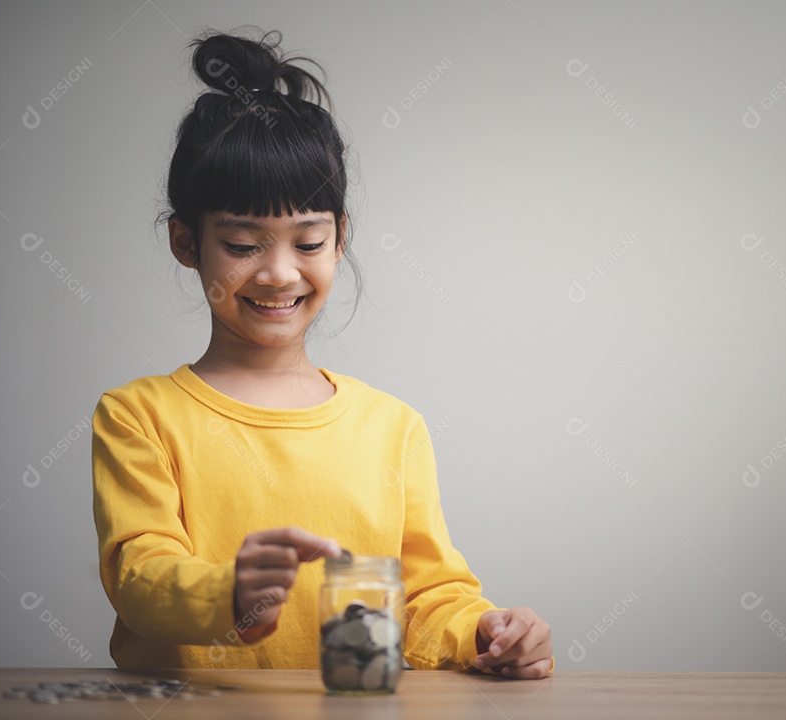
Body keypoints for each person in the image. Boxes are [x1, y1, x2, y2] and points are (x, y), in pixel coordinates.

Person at [91, 27, 552, 679]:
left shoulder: (392, 428)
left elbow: (426, 601)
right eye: (244, 244)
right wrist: (229, 594)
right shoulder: (138, 415)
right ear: (185, 243)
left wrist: (487, 632)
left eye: (308, 243)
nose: (280, 273)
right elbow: (140, 578)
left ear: (340, 241)